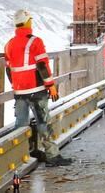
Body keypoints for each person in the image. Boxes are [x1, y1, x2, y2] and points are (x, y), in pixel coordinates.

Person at [4, 9, 72, 167]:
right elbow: (42, 65)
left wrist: (16, 86)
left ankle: (24, 154)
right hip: (36, 89)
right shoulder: (35, 42)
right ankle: (52, 156)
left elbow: (9, 69)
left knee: (20, 125)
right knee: (43, 122)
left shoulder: (9, 44)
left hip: (20, 91)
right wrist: (51, 85)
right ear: (28, 22)